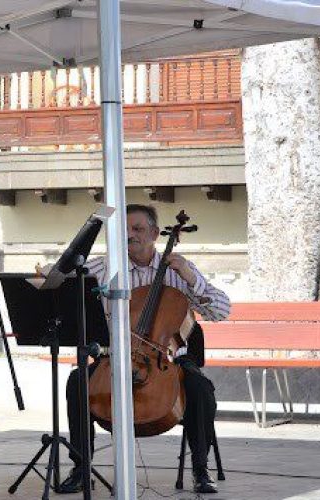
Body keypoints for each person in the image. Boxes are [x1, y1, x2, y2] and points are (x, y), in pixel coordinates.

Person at [56, 204, 231, 495]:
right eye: (124, 230)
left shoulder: (176, 270)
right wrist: (56, 275)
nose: (130, 236)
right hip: (115, 358)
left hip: (167, 360)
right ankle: (80, 467)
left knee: (200, 388)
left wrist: (190, 276)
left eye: (137, 229)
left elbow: (222, 310)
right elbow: (60, 282)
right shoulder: (103, 267)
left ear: (153, 233)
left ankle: (201, 468)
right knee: (77, 382)